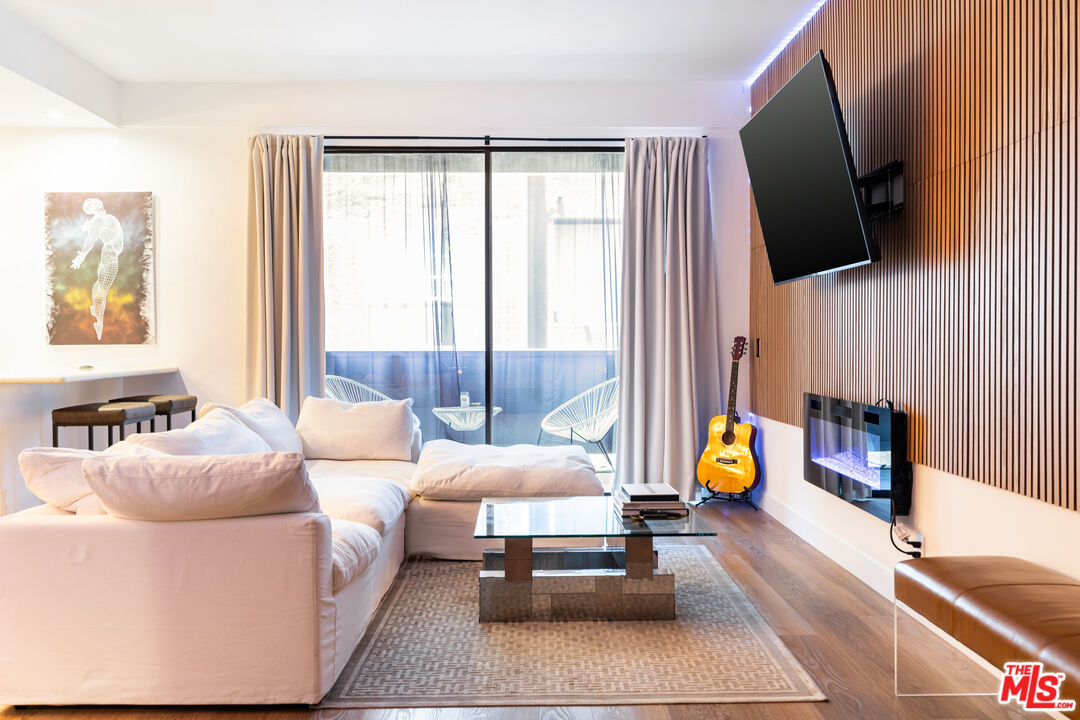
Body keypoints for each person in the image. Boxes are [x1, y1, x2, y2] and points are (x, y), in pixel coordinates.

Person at [71, 198, 124, 341]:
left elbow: (97, 228)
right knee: (102, 290)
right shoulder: (98, 220)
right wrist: (82, 255)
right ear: (92, 211)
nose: (95, 201)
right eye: (91, 204)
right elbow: (90, 239)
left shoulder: (101, 218)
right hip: (109, 258)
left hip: (108, 257)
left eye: (93, 200)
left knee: (98, 287)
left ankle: (95, 309)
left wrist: (90, 225)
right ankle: (99, 322)